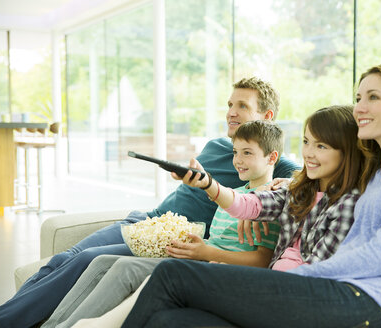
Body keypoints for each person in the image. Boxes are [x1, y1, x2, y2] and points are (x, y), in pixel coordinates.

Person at [121, 63, 381, 328]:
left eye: (373, 97)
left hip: (367, 300)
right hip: (332, 289)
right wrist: (284, 184)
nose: (360, 106)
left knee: (173, 275)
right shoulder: (376, 173)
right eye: (359, 97)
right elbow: (320, 184)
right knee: (171, 322)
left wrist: (295, 277)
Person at [0, 78, 300, 328]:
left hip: (169, 239)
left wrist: (285, 184)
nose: (231, 112)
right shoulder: (218, 145)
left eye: (242, 106)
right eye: (230, 104)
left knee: (89, 259)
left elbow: (306, 181)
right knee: (66, 258)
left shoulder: (272, 163)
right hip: (146, 220)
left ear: (266, 117)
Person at [48, 104, 364, 328]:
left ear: (346, 151)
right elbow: (247, 205)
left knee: (170, 275)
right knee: (165, 318)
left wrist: (214, 262)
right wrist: (209, 184)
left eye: (321, 146)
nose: (309, 152)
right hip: (260, 281)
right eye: (307, 142)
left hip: (283, 293)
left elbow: (314, 272)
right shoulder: (296, 189)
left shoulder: (346, 204)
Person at [42, 120, 284, 328]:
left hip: (218, 271)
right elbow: (218, 228)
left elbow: (262, 260)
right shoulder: (233, 195)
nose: (238, 160)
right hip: (197, 259)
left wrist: (206, 251)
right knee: (102, 261)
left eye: (247, 153)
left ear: (272, 157)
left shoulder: (269, 203)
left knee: (126, 269)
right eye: (235, 152)